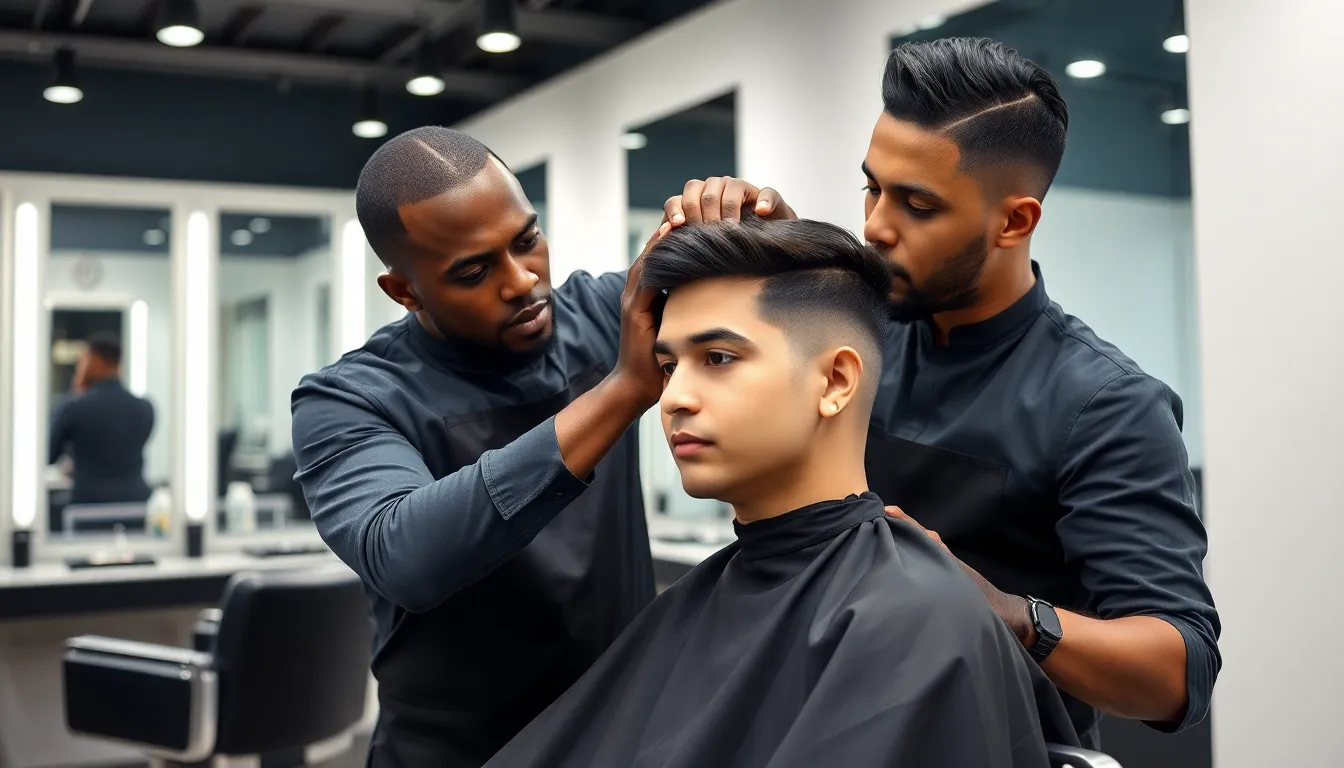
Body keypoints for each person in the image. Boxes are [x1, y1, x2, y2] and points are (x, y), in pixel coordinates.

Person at [657, 38, 1221, 750]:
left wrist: (1006, 612)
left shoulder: (1105, 405)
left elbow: (1180, 672)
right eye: (873, 187)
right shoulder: (859, 343)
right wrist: (774, 265)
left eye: (918, 206)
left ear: (1014, 221)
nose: (875, 225)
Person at [485, 215, 1080, 768]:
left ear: (835, 381)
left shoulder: (913, 621)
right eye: (668, 367)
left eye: (717, 357)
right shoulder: (703, 599)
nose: (672, 398)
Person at [289, 127, 671, 766]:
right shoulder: (351, 399)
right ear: (404, 291)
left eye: (528, 241)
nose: (522, 281)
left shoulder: (608, 314)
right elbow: (404, 555)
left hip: (618, 738)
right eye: (473, 271)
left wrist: (750, 226)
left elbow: (794, 321)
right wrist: (624, 390)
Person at [49, 332, 155, 506]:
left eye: (83, 362)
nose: (79, 368)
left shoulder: (76, 407)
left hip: (88, 508)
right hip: (135, 507)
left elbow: (50, 455)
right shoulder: (145, 408)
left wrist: (77, 393)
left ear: (95, 360)